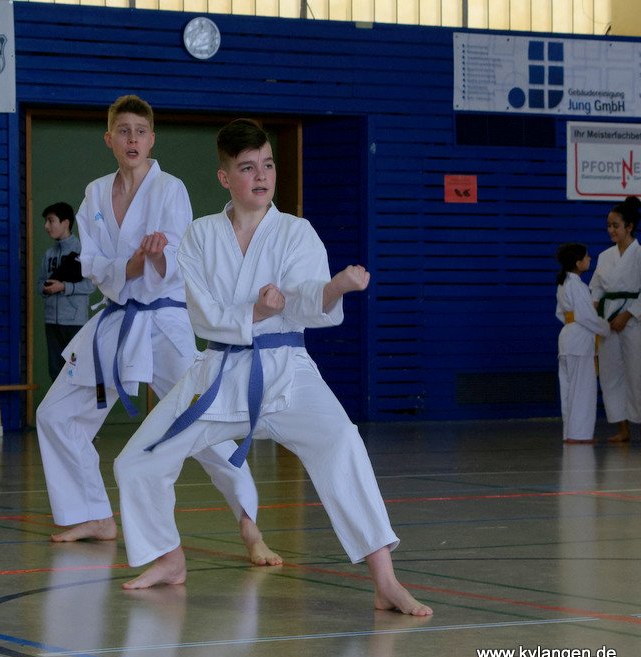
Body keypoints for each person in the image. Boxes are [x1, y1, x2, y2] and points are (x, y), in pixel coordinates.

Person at [112, 119, 431, 616]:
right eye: (247, 168)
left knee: (342, 443)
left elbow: (304, 298)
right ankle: (169, 558)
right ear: (224, 177)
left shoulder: (295, 232)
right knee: (136, 461)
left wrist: (336, 288)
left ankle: (385, 581)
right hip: (217, 373)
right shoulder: (200, 235)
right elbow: (202, 313)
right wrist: (256, 312)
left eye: (267, 164)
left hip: (287, 372)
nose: (261, 176)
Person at [36, 96, 278, 567]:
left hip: (164, 321)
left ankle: (250, 525)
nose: (132, 139)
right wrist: (129, 265)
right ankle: (93, 514)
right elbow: (91, 263)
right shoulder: (95, 193)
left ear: (152, 140)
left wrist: (156, 257)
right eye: (123, 131)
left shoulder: (170, 188)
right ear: (109, 139)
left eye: (141, 131)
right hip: (116, 318)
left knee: (201, 419)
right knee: (56, 415)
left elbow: (180, 260)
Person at [590, 196, 641, 442]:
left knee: (637, 372)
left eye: (616, 225)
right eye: (608, 225)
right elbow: (596, 288)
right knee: (611, 374)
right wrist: (594, 315)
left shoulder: (639, 254)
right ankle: (623, 428)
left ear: (629, 226)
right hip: (608, 321)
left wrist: (628, 314)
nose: (611, 230)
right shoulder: (604, 256)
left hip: (634, 319)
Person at [555, 243, 609, 444]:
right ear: (578, 263)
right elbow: (587, 316)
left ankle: (569, 433)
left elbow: (561, 314)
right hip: (579, 341)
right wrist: (605, 327)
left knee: (568, 389)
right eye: (587, 257)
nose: (589, 259)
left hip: (567, 338)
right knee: (582, 389)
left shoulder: (563, 284)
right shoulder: (578, 286)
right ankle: (579, 434)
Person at [37, 201, 95, 381]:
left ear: (66, 223)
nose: (46, 226)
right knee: (55, 370)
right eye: (46, 221)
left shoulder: (83, 251)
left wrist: (63, 287)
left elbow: (91, 285)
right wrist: (46, 288)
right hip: (51, 322)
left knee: (74, 368)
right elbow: (39, 284)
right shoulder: (48, 254)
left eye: (51, 220)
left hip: (74, 323)